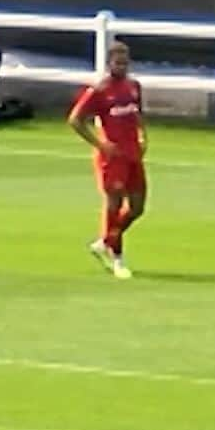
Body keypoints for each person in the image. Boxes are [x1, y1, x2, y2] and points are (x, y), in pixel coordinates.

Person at [68, 40, 146, 280]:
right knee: (114, 203)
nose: (122, 67)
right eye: (117, 62)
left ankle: (105, 241)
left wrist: (144, 137)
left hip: (133, 153)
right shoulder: (100, 91)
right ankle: (117, 258)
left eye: (125, 62)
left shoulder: (133, 86)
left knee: (137, 207)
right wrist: (100, 144)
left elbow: (137, 115)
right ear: (109, 63)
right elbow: (75, 120)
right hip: (112, 157)